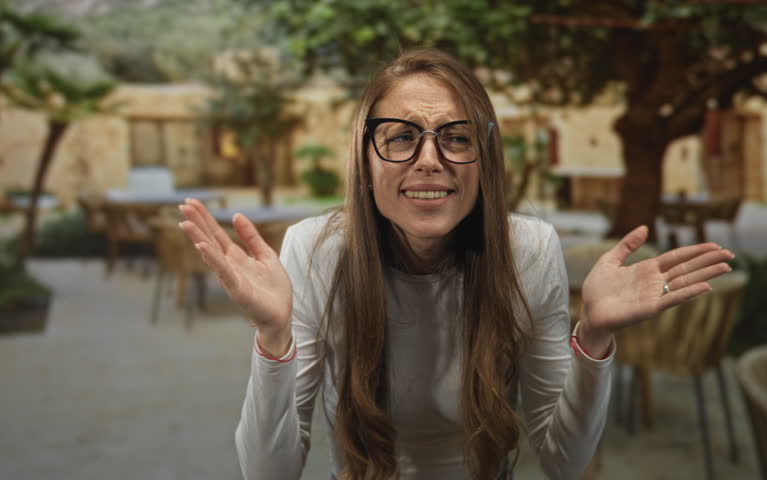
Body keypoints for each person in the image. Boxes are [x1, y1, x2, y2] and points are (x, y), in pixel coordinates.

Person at [178, 49, 734, 480]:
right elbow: (269, 473)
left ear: (485, 158)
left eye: (455, 137)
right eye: (399, 137)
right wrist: (274, 338)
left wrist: (592, 339)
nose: (428, 160)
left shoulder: (529, 251)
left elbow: (565, 461)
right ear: (364, 160)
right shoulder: (316, 249)